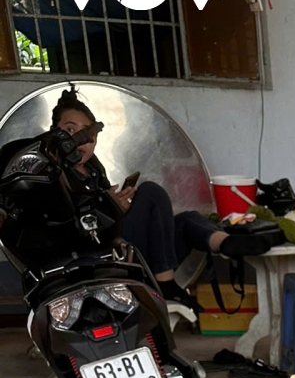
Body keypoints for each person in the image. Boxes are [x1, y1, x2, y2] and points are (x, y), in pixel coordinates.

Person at [48, 88, 272, 313]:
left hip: (133, 253)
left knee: (187, 220)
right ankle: (166, 285)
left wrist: (119, 206)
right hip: (104, 260)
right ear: (54, 135)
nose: (80, 141)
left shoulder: (94, 170)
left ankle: (226, 243)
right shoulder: (54, 176)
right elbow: (72, 228)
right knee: (150, 192)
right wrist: (110, 209)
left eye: (87, 134)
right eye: (70, 130)